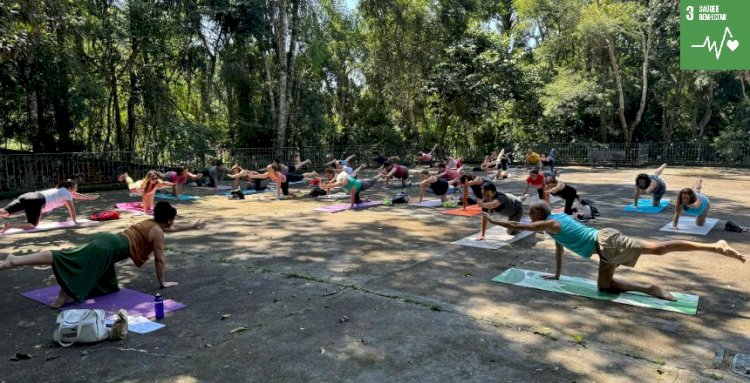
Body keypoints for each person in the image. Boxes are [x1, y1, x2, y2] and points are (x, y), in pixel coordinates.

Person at [482, 202, 745, 301]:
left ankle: (715, 246)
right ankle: (651, 289)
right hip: (603, 250)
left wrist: (495, 221)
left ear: (539, 214)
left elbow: (520, 224)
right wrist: (558, 276)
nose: (532, 217)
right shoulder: (555, 228)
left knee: (660, 249)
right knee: (604, 287)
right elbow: (560, 252)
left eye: (533, 214)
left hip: (607, 243)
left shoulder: (552, 221)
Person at [0, 201, 206, 307]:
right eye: (173, 220)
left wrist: (192, 227)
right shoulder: (157, 232)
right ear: (168, 219)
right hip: (106, 250)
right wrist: (163, 283)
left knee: (102, 282)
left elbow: (172, 228)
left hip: (106, 240)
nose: (173, 224)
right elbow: (160, 259)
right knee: (67, 260)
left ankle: (16, 260)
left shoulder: (150, 224)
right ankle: (63, 289)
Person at [0, 180, 99, 233]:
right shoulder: (67, 193)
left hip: (27, 195)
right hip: (37, 201)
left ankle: (8, 224)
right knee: (32, 225)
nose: (77, 189)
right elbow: (71, 209)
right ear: (70, 188)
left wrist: (90, 198)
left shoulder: (60, 190)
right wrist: (75, 222)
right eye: (76, 187)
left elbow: (77, 195)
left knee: (5, 212)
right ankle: (10, 226)